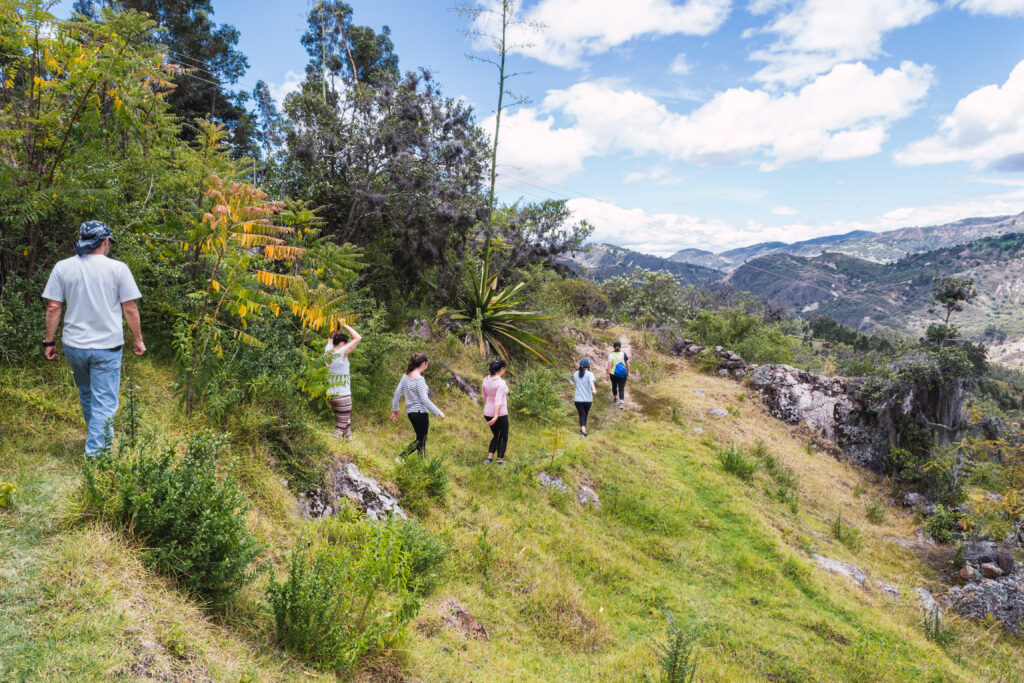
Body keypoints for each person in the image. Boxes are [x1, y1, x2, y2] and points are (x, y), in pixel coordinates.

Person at [41, 221, 145, 457]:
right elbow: (129, 308)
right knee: (105, 402)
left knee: (87, 392)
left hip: (74, 346)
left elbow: (54, 306)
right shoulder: (118, 269)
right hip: (106, 347)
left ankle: (96, 436)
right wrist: (138, 339)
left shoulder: (62, 267)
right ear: (105, 241)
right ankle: (97, 458)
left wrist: (49, 341)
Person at [391, 353, 445, 455]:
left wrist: (395, 409)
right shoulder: (419, 380)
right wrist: (438, 412)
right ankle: (400, 457)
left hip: (411, 413)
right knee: (421, 440)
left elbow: (397, 393)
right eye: (427, 364)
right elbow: (424, 399)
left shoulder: (405, 377)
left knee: (420, 439)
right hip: (421, 412)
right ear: (424, 364)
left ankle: (420, 462)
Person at [325, 320, 361, 440]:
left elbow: (330, 337)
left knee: (346, 422)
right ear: (343, 343)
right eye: (347, 343)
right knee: (340, 426)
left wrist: (336, 326)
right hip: (342, 395)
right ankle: (330, 447)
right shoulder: (341, 352)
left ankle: (349, 443)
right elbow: (358, 337)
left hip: (331, 395)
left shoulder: (328, 351)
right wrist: (344, 324)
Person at [481, 359, 510, 465]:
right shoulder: (501, 383)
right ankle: (500, 461)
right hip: (500, 413)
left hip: (487, 412)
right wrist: (496, 416)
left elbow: (484, 397)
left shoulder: (485, 380)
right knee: (503, 436)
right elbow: (498, 400)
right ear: (502, 369)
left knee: (496, 434)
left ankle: (489, 458)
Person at [571, 357, 597, 436]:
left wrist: (570, 382)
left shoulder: (575, 374)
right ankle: (583, 431)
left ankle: (583, 428)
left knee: (583, 414)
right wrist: (594, 389)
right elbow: (591, 382)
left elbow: (574, 383)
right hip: (588, 399)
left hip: (578, 399)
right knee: (584, 414)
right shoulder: (590, 374)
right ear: (588, 366)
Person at [605, 340, 630, 409]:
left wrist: (607, 374)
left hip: (613, 374)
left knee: (614, 386)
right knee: (621, 388)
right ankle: (621, 403)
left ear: (613, 347)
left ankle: (615, 398)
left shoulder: (611, 355)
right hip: (623, 373)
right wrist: (628, 372)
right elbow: (627, 364)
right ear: (620, 347)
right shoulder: (624, 354)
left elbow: (609, 365)